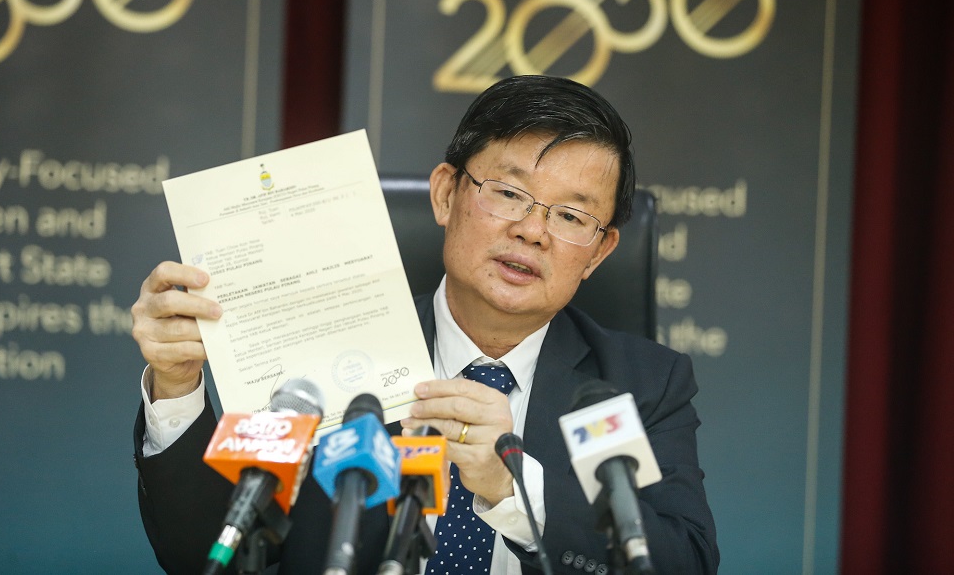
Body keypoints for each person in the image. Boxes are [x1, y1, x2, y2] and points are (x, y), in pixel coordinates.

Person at [131, 75, 719, 574]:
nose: (533, 231)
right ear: (445, 195)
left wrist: (509, 485)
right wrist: (178, 388)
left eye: (570, 214)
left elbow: (682, 560)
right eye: (510, 193)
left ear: (598, 251)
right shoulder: (321, 347)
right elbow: (208, 555)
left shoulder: (642, 385)